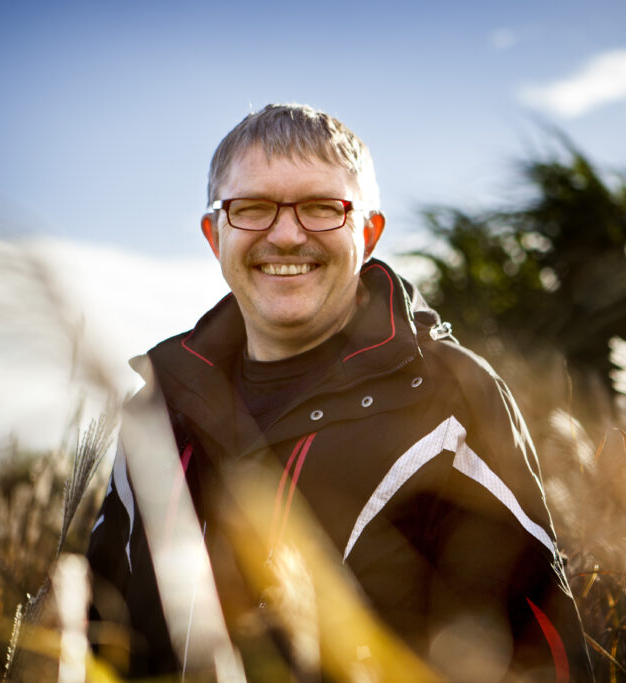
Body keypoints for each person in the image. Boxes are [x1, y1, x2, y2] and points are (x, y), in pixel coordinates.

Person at [86, 103, 593, 681]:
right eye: (251, 208)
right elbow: (99, 631)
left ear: (369, 232)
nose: (285, 234)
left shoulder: (447, 399)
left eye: (322, 208)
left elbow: (541, 648)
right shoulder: (156, 408)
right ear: (214, 234)